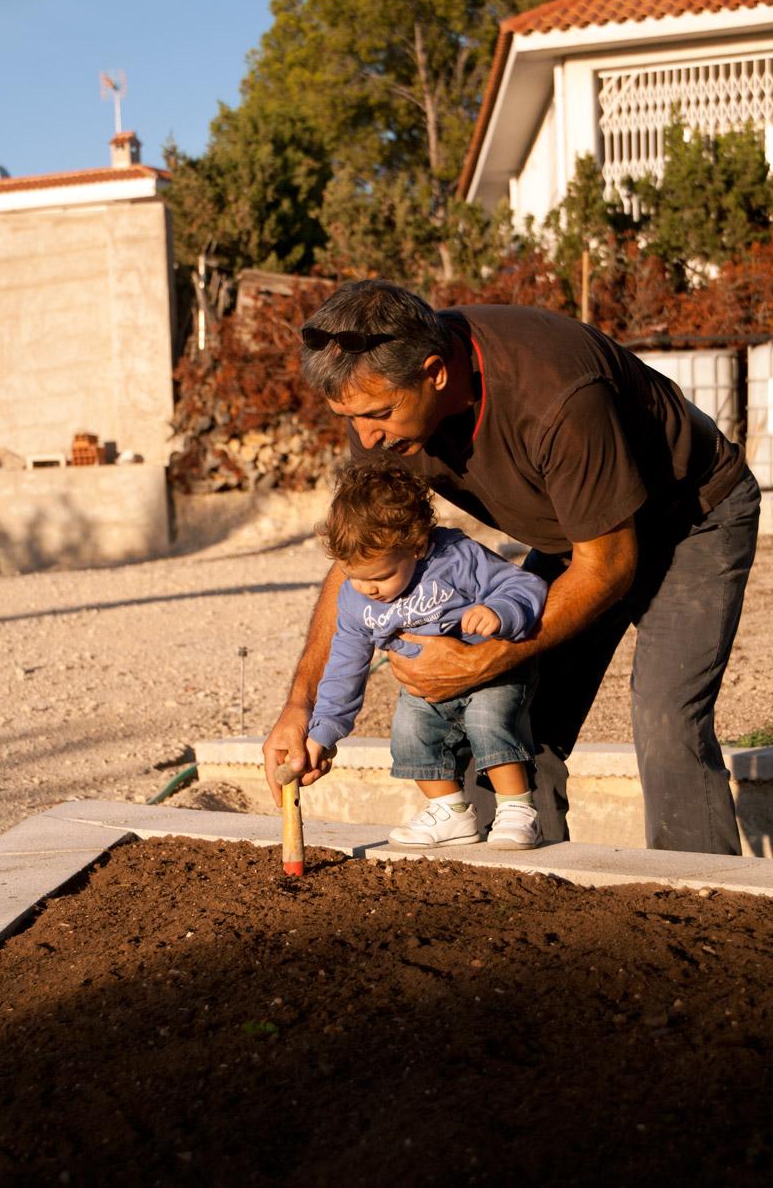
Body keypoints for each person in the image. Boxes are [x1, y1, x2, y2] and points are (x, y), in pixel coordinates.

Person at [263, 280, 760, 855]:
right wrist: (302, 702)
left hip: (690, 517)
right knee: (513, 715)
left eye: (378, 414)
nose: (366, 437)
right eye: (350, 418)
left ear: (435, 373)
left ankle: (695, 896)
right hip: (577, 532)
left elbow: (610, 565)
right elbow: (364, 558)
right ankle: (536, 878)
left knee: (666, 721)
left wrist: (485, 658)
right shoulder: (385, 416)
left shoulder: (556, 395)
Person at [306, 459, 548, 849]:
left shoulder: (456, 558)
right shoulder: (355, 601)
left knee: (489, 718)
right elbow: (344, 667)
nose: (368, 589)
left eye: (381, 576)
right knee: (409, 731)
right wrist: (324, 733)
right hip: (426, 689)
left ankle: (516, 808)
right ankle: (451, 812)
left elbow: (523, 585)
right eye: (355, 577)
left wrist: (498, 612)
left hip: (489, 672)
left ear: (417, 546)